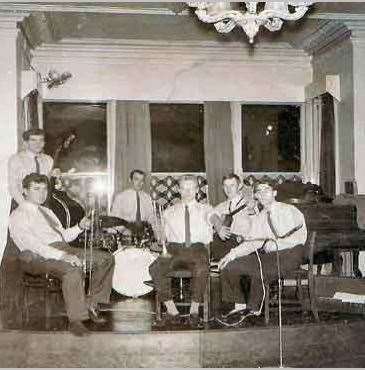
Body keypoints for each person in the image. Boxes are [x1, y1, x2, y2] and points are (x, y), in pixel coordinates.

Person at [9, 173, 115, 336]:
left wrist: (80, 226)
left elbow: (62, 237)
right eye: (36, 189)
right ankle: (76, 321)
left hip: (60, 248)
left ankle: (91, 304)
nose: (42, 193)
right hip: (37, 256)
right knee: (72, 269)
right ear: (25, 191)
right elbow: (33, 245)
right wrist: (62, 256)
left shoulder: (47, 211)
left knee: (106, 259)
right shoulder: (18, 215)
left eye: (44, 189)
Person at [219, 181, 307, 320]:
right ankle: (240, 306)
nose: (262, 194)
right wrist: (231, 255)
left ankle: (253, 309)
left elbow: (297, 237)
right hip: (270, 256)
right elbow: (252, 242)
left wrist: (277, 244)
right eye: (259, 192)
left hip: (291, 254)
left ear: (274, 193)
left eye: (266, 190)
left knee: (259, 271)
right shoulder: (260, 216)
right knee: (230, 266)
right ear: (256, 197)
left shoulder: (289, 210)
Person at [149, 175, 213, 326]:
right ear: (178, 190)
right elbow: (162, 238)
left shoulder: (206, 209)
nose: (187, 191)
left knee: (202, 267)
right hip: (174, 249)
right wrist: (158, 233)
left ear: (197, 190)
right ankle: (172, 311)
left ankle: (194, 312)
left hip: (197, 248)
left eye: (191, 188)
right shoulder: (168, 212)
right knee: (155, 268)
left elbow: (214, 219)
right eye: (184, 188)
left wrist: (219, 225)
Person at [209, 173, 257, 261]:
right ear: (223, 188)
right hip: (224, 244)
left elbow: (257, 228)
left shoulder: (250, 204)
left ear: (239, 186)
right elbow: (210, 216)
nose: (228, 189)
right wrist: (218, 227)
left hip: (243, 245)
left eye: (232, 185)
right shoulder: (221, 207)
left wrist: (252, 211)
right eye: (225, 186)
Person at [8, 128, 53, 209]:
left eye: (41, 140)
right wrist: (25, 206)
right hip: (21, 202)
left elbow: (48, 184)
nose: (38, 144)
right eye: (33, 140)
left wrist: (56, 179)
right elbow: (13, 187)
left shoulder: (49, 160)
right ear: (26, 143)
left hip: (43, 204)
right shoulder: (16, 159)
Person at [110, 169, 157, 239]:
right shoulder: (120, 197)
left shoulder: (147, 198)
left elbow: (151, 216)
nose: (139, 183)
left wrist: (156, 228)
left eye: (142, 180)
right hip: (125, 235)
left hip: (143, 235)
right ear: (130, 180)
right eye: (136, 179)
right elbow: (114, 218)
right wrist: (123, 230)